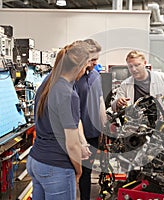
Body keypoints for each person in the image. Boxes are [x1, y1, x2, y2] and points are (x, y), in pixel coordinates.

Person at [26, 41, 93, 200]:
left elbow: (74, 122)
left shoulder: (49, 81)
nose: (85, 72)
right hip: (56, 166)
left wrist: (82, 143)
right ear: (79, 67)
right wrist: (78, 170)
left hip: (37, 161)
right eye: (86, 67)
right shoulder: (67, 93)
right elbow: (71, 144)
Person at [111, 50, 164, 130]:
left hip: (161, 127)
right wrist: (118, 102)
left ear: (144, 63)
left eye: (137, 65)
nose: (134, 69)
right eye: (130, 66)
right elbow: (115, 106)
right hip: (136, 129)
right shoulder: (125, 85)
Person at [74, 39, 106, 200]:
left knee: (87, 171)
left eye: (97, 59)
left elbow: (100, 101)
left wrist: (104, 128)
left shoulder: (95, 75)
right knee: (75, 172)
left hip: (93, 133)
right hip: (75, 133)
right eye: (92, 59)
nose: (95, 63)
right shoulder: (74, 78)